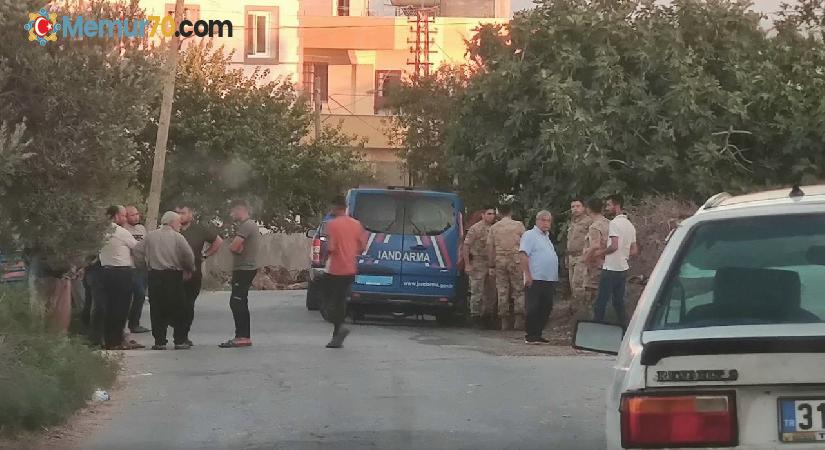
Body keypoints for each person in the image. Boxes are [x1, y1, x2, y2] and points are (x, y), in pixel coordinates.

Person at [142, 211, 196, 350]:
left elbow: (137, 251)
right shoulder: (178, 237)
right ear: (172, 223)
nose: (180, 225)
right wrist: (189, 269)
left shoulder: (150, 236)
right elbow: (188, 255)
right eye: (179, 222)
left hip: (154, 275)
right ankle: (179, 340)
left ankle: (159, 341)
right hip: (173, 276)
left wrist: (143, 266)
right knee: (179, 308)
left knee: (157, 309)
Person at [175, 203, 223, 346]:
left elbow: (218, 241)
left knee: (188, 305)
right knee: (175, 304)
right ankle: (175, 334)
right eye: (177, 213)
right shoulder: (172, 228)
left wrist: (205, 255)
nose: (180, 216)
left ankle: (182, 335)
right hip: (174, 272)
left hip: (193, 272)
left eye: (183, 213)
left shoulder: (199, 229)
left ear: (191, 214)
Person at [322, 196, 367, 348]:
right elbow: (362, 246)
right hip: (350, 268)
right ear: (346, 207)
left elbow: (331, 248)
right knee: (341, 300)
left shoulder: (332, 225)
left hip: (335, 269)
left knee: (330, 302)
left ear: (335, 207)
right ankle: (336, 335)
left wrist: (323, 258)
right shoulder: (356, 224)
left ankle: (339, 329)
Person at [219, 200, 261, 348]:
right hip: (245, 267)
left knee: (237, 302)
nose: (232, 214)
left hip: (245, 268)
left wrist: (239, 250)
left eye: (233, 211)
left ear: (240, 209)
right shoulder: (248, 225)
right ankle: (242, 335)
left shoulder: (247, 225)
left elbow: (234, 246)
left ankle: (243, 336)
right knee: (240, 301)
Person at [98, 205, 140, 350]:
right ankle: (116, 341)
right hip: (121, 272)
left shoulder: (100, 231)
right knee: (121, 308)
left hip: (105, 271)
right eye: (123, 216)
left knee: (108, 307)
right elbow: (137, 247)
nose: (124, 218)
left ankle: (108, 339)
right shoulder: (121, 232)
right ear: (115, 216)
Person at [593, 195, 638, 324]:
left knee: (601, 301)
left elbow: (614, 245)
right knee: (618, 302)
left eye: (608, 205)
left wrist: (600, 253)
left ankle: (596, 329)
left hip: (611, 267)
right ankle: (624, 329)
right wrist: (623, 255)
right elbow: (634, 250)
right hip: (623, 268)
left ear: (616, 205)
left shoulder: (614, 223)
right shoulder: (630, 225)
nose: (606, 208)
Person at [519, 210, 559, 344]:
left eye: (548, 220)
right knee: (533, 306)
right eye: (543, 220)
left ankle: (538, 333)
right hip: (535, 277)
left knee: (546, 306)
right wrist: (527, 274)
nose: (546, 223)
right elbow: (523, 255)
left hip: (548, 278)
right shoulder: (530, 235)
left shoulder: (546, 237)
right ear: (537, 221)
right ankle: (530, 335)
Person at [487, 204, 526, 331]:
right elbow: (526, 243)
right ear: (511, 212)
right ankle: (519, 319)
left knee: (502, 290)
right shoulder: (519, 225)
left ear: (498, 212)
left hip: (500, 260)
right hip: (516, 260)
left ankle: (504, 320)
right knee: (518, 289)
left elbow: (490, 248)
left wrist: (491, 265)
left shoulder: (494, 228)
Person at [462, 207, 496, 327]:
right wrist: (467, 264)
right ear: (483, 215)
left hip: (491, 263)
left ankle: (487, 316)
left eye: (493, 214)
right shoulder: (475, 229)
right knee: (477, 291)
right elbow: (466, 246)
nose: (492, 216)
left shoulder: (495, 228)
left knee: (491, 292)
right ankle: (475, 316)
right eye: (489, 214)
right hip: (478, 263)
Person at [579, 198, 610, 320]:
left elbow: (595, 245)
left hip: (595, 266)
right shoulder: (608, 223)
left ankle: (593, 324)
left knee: (592, 299)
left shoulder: (595, 227)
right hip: (607, 264)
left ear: (588, 209)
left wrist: (585, 258)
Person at [124, 205, 150, 334]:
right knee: (137, 294)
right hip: (130, 266)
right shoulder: (123, 229)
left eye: (137, 214)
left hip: (142, 266)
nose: (136, 217)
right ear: (126, 216)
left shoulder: (141, 229)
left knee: (140, 296)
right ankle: (128, 323)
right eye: (132, 215)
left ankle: (135, 323)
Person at [565, 199, 591, 313]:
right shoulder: (573, 222)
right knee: (572, 286)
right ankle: (576, 312)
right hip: (571, 257)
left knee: (579, 285)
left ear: (584, 208)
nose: (575, 209)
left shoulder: (588, 222)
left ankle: (581, 313)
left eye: (578, 206)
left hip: (582, 256)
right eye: (572, 206)